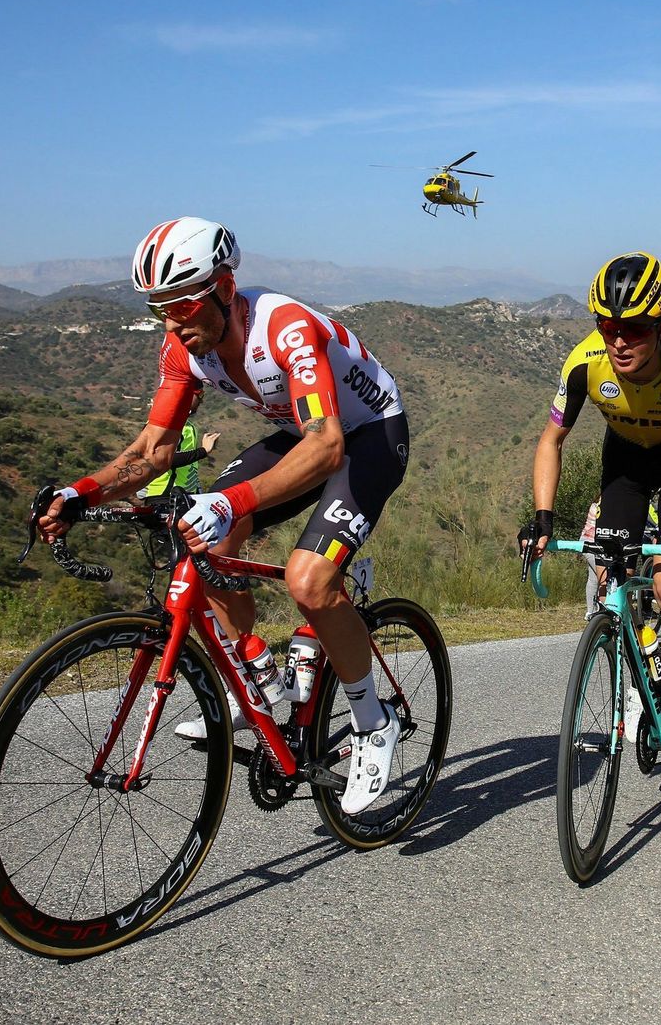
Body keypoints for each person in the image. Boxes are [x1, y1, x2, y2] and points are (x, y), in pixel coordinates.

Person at [38, 216, 409, 815]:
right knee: (200, 539)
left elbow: (328, 447)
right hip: (301, 431)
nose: (172, 323)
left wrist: (229, 500)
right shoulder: (184, 347)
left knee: (307, 581)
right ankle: (260, 673)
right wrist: (82, 493)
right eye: (160, 308)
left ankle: (373, 721)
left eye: (181, 305)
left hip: (367, 434)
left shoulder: (283, 329)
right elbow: (153, 450)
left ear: (225, 289)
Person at [522, 251, 661, 766]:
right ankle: (638, 672)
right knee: (616, 576)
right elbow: (552, 441)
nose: (618, 340)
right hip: (626, 464)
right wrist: (543, 517)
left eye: (633, 328)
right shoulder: (584, 364)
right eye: (607, 325)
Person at [137, 388, 220, 498]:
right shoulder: (166, 424)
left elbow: (189, 467)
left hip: (183, 495)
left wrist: (197, 491)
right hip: (164, 495)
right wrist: (202, 451)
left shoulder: (188, 426)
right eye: (199, 395)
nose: (201, 400)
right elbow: (164, 459)